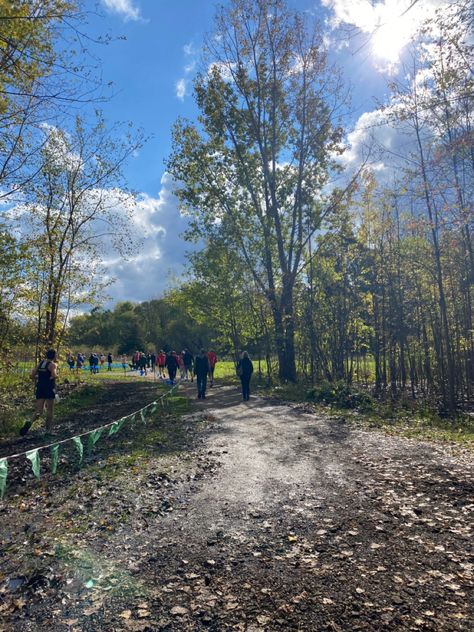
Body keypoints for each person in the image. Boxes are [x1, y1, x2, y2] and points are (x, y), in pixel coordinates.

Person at [20, 349, 58, 436]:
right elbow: (53, 375)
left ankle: (29, 422)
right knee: (50, 410)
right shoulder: (53, 365)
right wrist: (54, 377)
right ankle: (48, 431)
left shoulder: (41, 363)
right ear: (54, 356)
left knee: (39, 410)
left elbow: (32, 375)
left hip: (40, 387)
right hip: (48, 388)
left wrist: (40, 378)